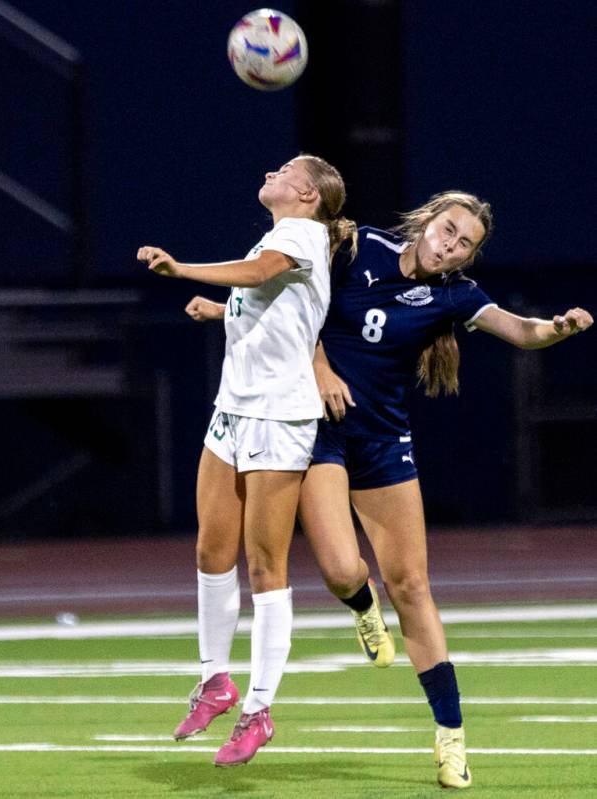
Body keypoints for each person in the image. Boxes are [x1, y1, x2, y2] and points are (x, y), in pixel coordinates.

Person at [187, 191, 593, 787]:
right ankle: (359, 604)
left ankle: (451, 737)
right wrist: (314, 367)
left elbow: (522, 331)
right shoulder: (356, 246)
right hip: (321, 433)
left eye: (464, 244)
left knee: (412, 584)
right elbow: (299, 310)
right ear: (427, 221)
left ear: (466, 258)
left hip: (383, 443)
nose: (449, 245)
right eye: (447, 229)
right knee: (339, 568)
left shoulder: (455, 295)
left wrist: (556, 331)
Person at [138, 154, 356, 767]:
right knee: (211, 550)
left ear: (309, 193)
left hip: (279, 417)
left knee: (266, 566)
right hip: (232, 410)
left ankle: (258, 710)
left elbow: (261, 272)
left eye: (285, 169)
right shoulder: (281, 231)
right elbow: (272, 304)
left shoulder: (302, 232)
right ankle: (215, 681)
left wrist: (183, 271)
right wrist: (220, 311)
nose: (270, 172)